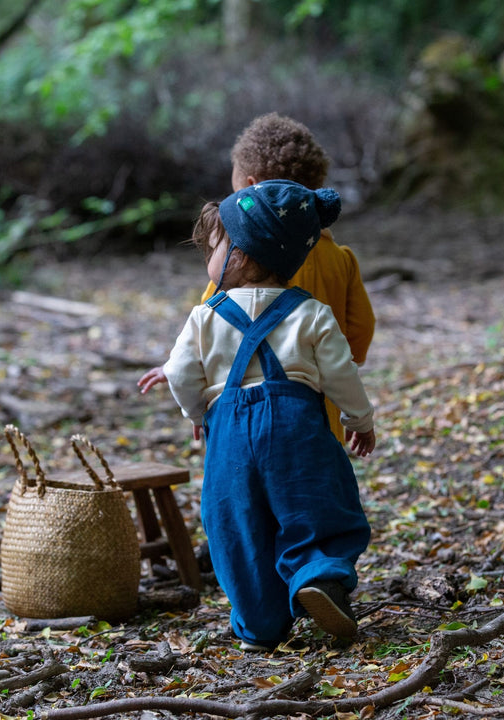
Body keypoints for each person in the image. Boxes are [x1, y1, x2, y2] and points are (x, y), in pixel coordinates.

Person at [139, 180, 375, 651]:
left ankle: (259, 624)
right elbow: (341, 373)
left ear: (241, 254)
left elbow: (184, 373)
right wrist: (359, 420)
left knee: (236, 523)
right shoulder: (311, 313)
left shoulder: (205, 316)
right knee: (316, 504)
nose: (208, 255)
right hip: (298, 427)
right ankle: (318, 576)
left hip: (229, 432)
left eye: (214, 246)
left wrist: (198, 412)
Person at [140, 112, 375, 444]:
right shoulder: (341, 260)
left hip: (240, 413)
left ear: (251, 188)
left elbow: (208, 334)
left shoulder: (235, 265)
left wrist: (191, 384)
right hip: (317, 414)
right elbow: (361, 332)